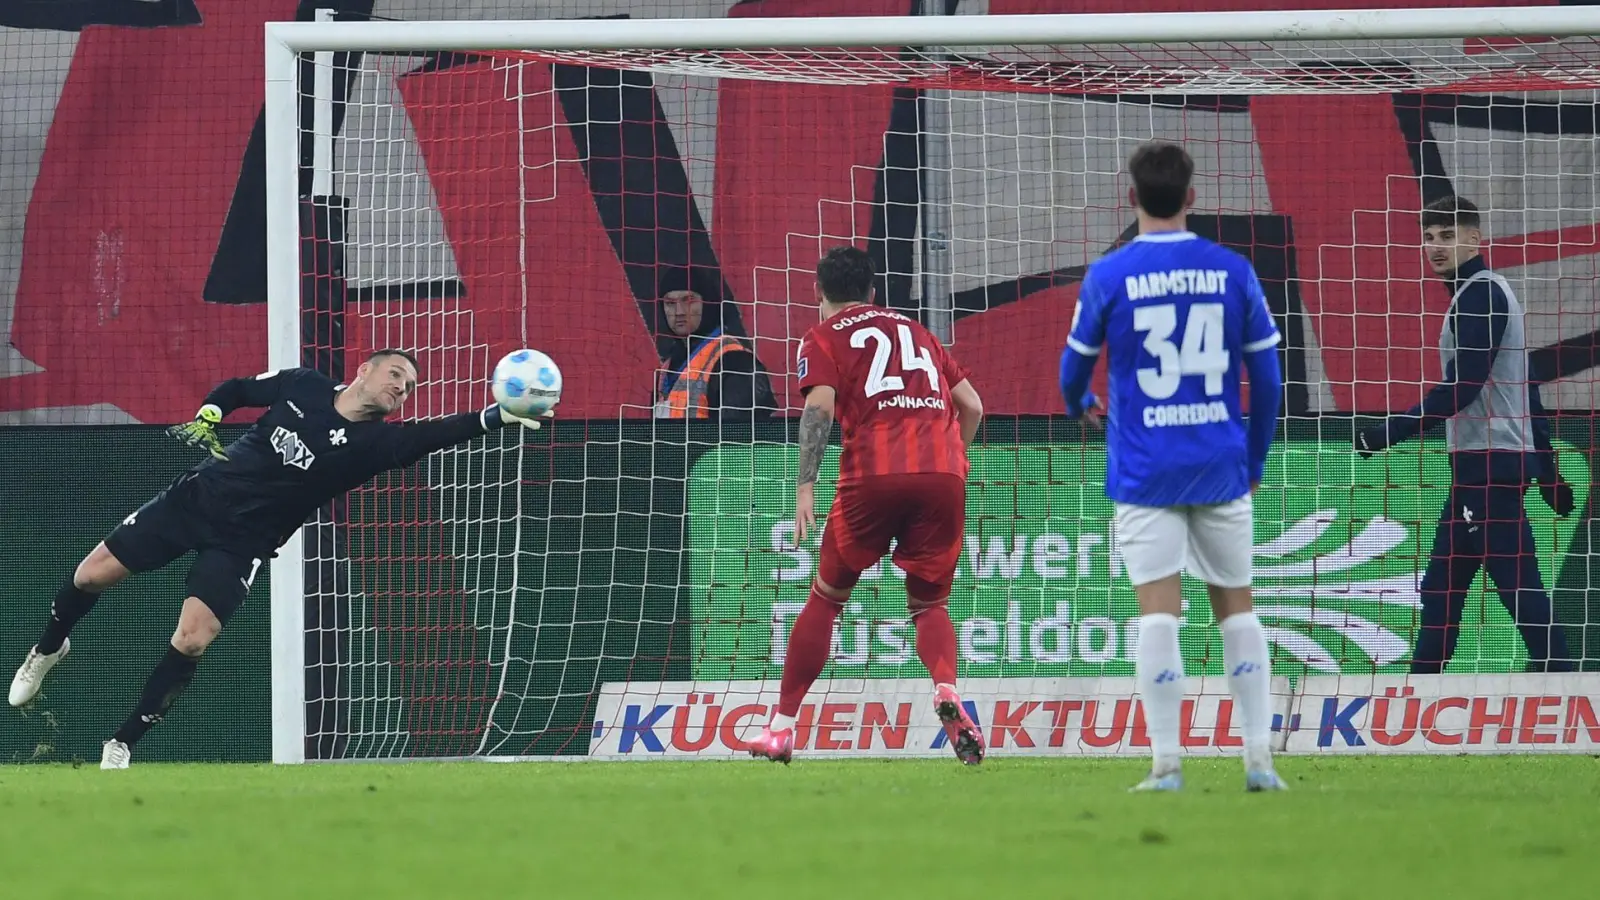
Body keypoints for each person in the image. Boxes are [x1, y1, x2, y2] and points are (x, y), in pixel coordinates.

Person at [7, 349, 552, 768]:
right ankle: (48, 649)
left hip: (243, 542)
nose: (402, 391)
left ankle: (121, 744)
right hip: (195, 500)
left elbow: (440, 433)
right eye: (396, 377)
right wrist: (212, 409)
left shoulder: (378, 445)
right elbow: (241, 388)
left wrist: (497, 417)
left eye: (409, 389)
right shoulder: (304, 385)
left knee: (193, 638)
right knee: (89, 575)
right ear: (366, 369)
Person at [1059, 141, 1286, 792]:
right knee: (1237, 611)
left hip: (1145, 468)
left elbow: (1071, 371)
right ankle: (1258, 761)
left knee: (1159, 614)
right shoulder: (1232, 270)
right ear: (1191, 198)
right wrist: (1255, 457)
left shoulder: (1109, 274)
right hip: (1219, 461)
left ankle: (1166, 764)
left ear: (1132, 199)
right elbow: (1266, 380)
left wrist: (1082, 402)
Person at [747, 246, 986, 765]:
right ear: (873, 292)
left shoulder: (822, 336)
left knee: (827, 598)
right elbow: (973, 405)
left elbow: (818, 408)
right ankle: (947, 690)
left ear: (817, 292)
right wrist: (955, 460)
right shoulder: (919, 332)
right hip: (943, 472)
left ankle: (782, 727)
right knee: (929, 604)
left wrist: (804, 486)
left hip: (874, 473)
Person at [1356, 195, 1574, 673]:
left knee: (1514, 582)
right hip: (1483, 467)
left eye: (1447, 236)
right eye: (1429, 238)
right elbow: (1526, 387)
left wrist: (1389, 430)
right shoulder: (1483, 292)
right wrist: (1546, 469)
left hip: (1489, 466)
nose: (1435, 247)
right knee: (1442, 589)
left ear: (1474, 239)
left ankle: (1564, 686)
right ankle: (1418, 694)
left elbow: (1465, 386)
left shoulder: (1479, 293)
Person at [652, 266, 775, 422]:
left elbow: (741, 437)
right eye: (670, 303)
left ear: (707, 303)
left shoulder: (735, 361)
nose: (679, 312)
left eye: (688, 300)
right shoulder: (667, 368)